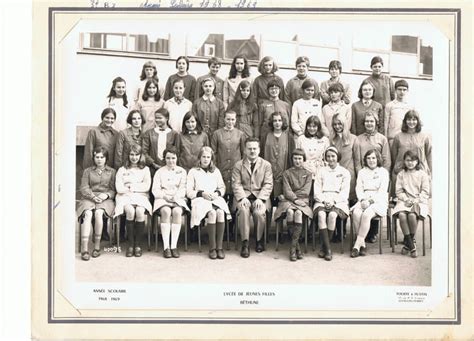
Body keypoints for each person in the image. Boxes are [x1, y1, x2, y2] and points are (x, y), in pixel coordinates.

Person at [186, 147, 231, 259]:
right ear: (199, 158)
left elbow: (222, 187)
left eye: (208, 157)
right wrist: (202, 194)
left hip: (214, 198)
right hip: (200, 199)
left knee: (220, 212)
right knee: (212, 213)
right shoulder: (193, 171)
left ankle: (219, 248)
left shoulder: (215, 171)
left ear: (212, 159)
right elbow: (189, 192)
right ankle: (212, 248)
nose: (206, 159)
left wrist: (217, 193)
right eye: (203, 157)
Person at [232, 137, 273, 257]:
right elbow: (236, 184)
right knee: (244, 211)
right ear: (245, 150)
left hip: (260, 196)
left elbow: (268, 184)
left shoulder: (266, 165)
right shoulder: (238, 165)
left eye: (255, 148)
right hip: (243, 196)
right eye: (249, 148)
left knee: (259, 212)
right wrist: (242, 197)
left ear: (259, 150)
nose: (252, 151)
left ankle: (259, 240)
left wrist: (261, 198)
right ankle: (245, 243)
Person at [77, 147, 116, 261]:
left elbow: (113, 189)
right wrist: (92, 196)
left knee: (99, 213)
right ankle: (84, 249)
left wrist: (106, 195)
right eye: (97, 157)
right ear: (93, 158)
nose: (99, 160)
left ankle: (97, 246)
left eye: (102, 157)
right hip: (89, 197)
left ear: (106, 158)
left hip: (105, 199)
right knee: (88, 214)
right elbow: (84, 187)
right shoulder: (87, 171)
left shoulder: (112, 172)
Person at [273, 149, 313, 261]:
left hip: (302, 201)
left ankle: (293, 248)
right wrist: (295, 198)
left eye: (300, 158)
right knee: (290, 212)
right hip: (289, 201)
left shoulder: (308, 174)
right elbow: (286, 190)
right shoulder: (287, 173)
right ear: (292, 160)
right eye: (295, 158)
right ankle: (296, 249)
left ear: (303, 160)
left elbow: (306, 191)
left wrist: (293, 196)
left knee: (299, 213)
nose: (297, 161)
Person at [114, 144, 152, 257]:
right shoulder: (122, 170)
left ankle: (138, 244)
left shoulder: (145, 169)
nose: (134, 157)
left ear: (140, 156)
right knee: (130, 211)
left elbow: (146, 187)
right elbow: (119, 188)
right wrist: (136, 186)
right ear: (128, 155)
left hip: (141, 196)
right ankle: (130, 245)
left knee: (140, 211)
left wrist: (131, 186)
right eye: (131, 154)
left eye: (136, 155)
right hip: (124, 197)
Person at [313, 146, 351, 261]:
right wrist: (324, 201)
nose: (330, 159)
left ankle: (324, 247)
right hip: (322, 199)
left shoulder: (344, 172)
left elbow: (345, 193)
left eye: (333, 156)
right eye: (328, 156)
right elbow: (317, 191)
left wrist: (334, 201)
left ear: (337, 157)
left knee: (333, 215)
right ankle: (328, 249)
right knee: (321, 214)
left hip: (339, 201)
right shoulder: (321, 171)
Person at [350, 149, 389, 257]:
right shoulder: (362, 172)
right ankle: (362, 244)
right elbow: (359, 188)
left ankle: (356, 246)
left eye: (373, 158)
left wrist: (370, 201)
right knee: (356, 213)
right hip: (364, 198)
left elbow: (382, 191)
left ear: (378, 159)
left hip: (378, 200)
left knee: (366, 214)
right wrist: (362, 200)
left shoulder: (383, 172)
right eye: (368, 158)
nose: (371, 160)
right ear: (365, 160)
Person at [391, 150, 431, 258]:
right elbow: (399, 191)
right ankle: (411, 243)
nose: (410, 163)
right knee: (402, 215)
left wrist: (416, 200)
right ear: (404, 161)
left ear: (417, 161)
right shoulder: (401, 174)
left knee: (412, 215)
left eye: (413, 160)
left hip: (419, 201)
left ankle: (408, 243)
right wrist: (406, 199)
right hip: (404, 201)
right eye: (408, 160)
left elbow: (426, 191)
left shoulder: (422, 174)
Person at [152, 147, 188, 258]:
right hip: (162, 198)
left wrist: (176, 197)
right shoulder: (159, 172)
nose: (170, 161)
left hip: (178, 198)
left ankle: (174, 246)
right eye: (168, 158)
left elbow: (183, 188)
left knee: (177, 211)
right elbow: (155, 189)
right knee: (166, 211)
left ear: (177, 158)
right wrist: (165, 196)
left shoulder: (182, 171)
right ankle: (166, 247)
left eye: (173, 158)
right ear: (164, 159)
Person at [391, 110, 432, 192]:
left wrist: (430, 173)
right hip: (401, 172)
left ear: (418, 121)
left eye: (414, 119)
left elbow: (429, 155)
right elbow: (394, 156)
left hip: (419, 172)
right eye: (409, 119)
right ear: (405, 121)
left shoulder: (425, 137)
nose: (411, 122)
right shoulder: (398, 137)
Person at [210, 111, 246, 199]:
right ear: (224, 119)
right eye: (228, 119)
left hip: (235, 167)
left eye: (232, 119)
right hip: (221, 167)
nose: (230, 122)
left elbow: (244, 152)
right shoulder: (217, 134)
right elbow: (213, 152)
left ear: (236, 120)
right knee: (222, 191)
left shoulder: (240, 134)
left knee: (235, 192)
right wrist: (214, 166)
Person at [263, 112, 294, 201]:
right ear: (271, 123)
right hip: (268, 174)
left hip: (283, 174)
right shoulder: (266, 136)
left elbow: (292, 157)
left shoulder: (289, 137)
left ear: (283, 122)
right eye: (275, 121)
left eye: (279, 120)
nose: (277, 123)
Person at [141, 108, 179, 175]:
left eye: (160, 118)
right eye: (156, 118)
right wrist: (153, 164)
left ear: (167, 118)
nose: (157, 120)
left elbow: (177, 151)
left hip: (169, 167)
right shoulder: (149, 133)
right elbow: (144, 151)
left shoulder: (174, 134)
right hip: (152, 168)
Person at [330, 113, 357, 205]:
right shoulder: (332, 140)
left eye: (339, 124)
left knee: (351, 200)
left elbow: (357, 159)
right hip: (337, 174)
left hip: (350, 173)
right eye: (335, 124)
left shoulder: (353, 138)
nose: (337, 126)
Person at [256, 79, 291, 148]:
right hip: (266, 135)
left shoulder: (285, 105)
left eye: (276, 88)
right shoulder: (263, 105)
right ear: (268, 90)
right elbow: (259, 122)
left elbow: (288, 121)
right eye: (271, 89)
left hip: (282, 136)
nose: (274, 91)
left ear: (280, 90)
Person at [296, 115, 330, 180]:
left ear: (318, 127)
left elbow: (326, 158)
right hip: (304, 169)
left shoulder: (324, 139)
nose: (311, 129)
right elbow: (298, 155)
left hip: (319, 169)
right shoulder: (301, 139)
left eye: (314, 126)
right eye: (309, 126)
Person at [384, 79, 415, 146]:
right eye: (399, 89)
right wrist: (386, 140)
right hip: (393, 138)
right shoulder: (389, 105)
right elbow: (386, 124)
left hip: (407, 138)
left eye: (404, 90)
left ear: (407, 91)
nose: (402, 92)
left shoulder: (410, 106)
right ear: (395, 90)